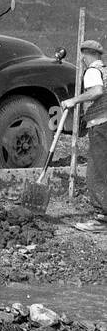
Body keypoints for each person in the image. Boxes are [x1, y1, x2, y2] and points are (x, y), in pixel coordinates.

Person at [61, 37, 106, 229]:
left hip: (101, 125)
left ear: (86, 56)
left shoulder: (92, 72)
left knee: (96, 172)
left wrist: (74, 100)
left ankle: (102, 219)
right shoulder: (105, 70)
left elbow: (96, 91)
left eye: (82, 56)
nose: (82, 60)